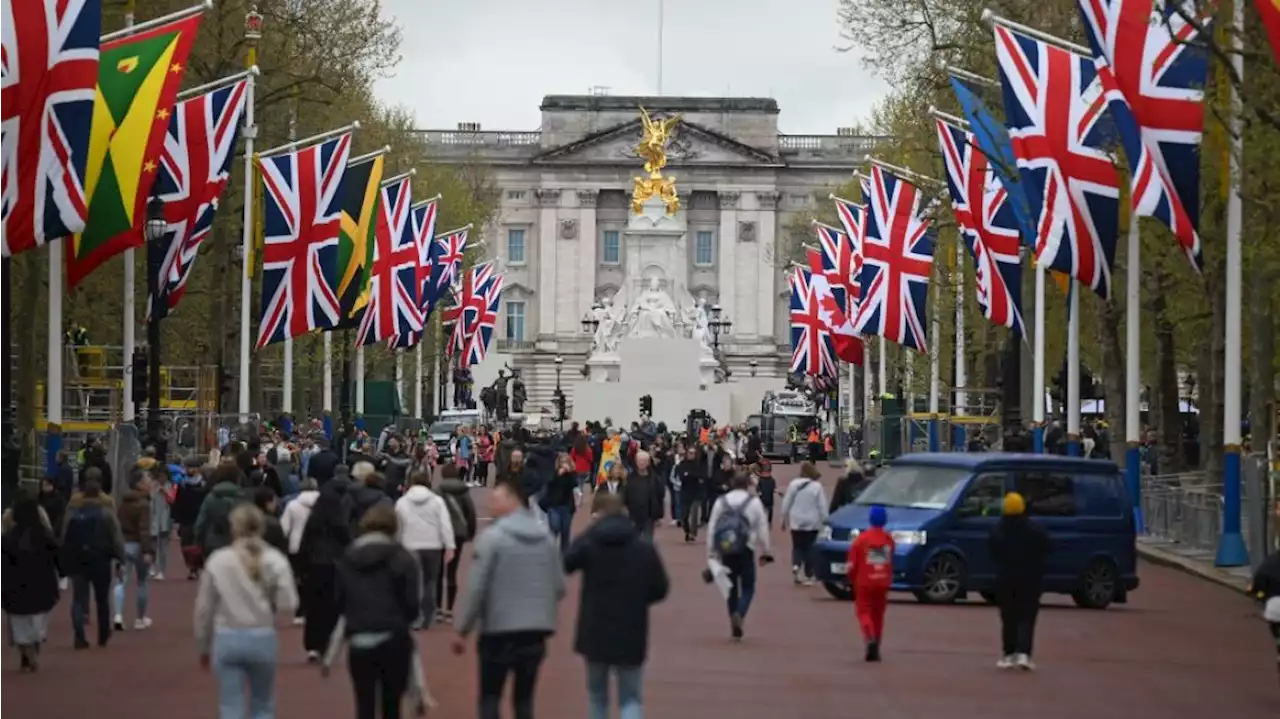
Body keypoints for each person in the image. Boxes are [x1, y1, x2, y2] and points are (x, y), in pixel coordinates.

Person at [453, 478, 566, 719]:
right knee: (524, 701)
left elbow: (476, 587)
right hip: (535, 631)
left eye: (495, 500)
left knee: (491, 697)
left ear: (512, 501)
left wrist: (463, 628)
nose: (490, 506)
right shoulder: (545, 539)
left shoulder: (493, 538)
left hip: (498, 631)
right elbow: (559, 585)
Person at [565, 492, 669, 719]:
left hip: (595, 627)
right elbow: (661, 589)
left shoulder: (590, 543)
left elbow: (567, 562)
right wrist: (640, 599)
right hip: (632, 628)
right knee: (630, 698)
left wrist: (590, 530)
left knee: (597, 696)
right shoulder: (643, 547)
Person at [194, 504, 298, 719]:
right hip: (262, 636)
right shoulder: (275, 559)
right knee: (263, 704)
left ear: (233, 528)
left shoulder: (218, 560)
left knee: (230, 705)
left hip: (227, 637)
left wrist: (203, 645)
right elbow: (289, 602)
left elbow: (204, 608)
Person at [332, 504, 421, 719]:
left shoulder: (348, 557)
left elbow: (339, 599)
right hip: (394, 636)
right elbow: (412, 604)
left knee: (364, 703)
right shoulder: (404, 558)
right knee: (392, 705)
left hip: (360, 637)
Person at [706, 469, 773, 640]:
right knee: (748, 586)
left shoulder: (722, 501)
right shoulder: (754, 503)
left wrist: (711, 551)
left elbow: (712, 526)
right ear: (748, 485)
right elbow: (762, 527)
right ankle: (740, 613)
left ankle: (732, 617)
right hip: (746, 548)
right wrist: (766, 550)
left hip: (726, 548)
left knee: (731, 587)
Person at [59, 473, 124, 648]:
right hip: (101, 559)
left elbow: (65, 534)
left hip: (78, 558)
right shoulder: (107, 511)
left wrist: (64, 556)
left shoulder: (73, 510)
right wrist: (120, 557)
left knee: (78, 598)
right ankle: (103, 634)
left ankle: (79, 635)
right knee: (102, 598)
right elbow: (116, 536)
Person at [988, 491, 1050, 670]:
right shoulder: (1035, 529)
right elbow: (1048, 547)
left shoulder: (998, 530)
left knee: (1008, 616)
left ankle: (1008, 654)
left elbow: (992, 550)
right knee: (1027, 615)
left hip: (1006, 577)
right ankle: (1024, 653)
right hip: (1031, 578)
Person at [0, 496, 60, 671]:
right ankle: (33, 646)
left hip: (15, 588)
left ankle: (25, 653)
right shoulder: (44, 535)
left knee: (18, 624)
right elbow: (57, 553)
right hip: (42, 586)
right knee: (37, 623)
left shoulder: (7, 539)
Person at [299, 482, 354, 661]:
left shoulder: (313, 522)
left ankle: (312, 644)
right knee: (331, 607)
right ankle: (327, 642)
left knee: (313, 607)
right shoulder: (339, 524)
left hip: (314, 565)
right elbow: (347, 542)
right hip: (334, 566)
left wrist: (302, 567)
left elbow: (304, 545)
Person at [394, 471, 455, 629]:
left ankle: (415, 615)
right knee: (430, 581)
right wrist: (450, 545)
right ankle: (428, 614)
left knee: (413, 582)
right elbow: (445, 523)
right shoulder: (437, 501)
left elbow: (397, 525)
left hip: (410, 545)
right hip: (432, 546)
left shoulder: (402, 502)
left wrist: (396, 544)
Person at [846, 505, 894, 661]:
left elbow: (852, 565)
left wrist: (850, 579)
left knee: (864, 612)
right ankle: (877, 645)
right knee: (878, 615)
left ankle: (870, 637)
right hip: (882, 581)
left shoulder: (861, 539)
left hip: (864, 582)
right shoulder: (888, 539)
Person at [114, 470, 155, 631]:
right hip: (138, 545)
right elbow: (144, 529)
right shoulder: (144, 504)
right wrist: (148, 550)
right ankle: (140, 618)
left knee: (120, 581)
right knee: (142, 581)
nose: (150, 482)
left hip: (124, 543)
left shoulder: (123, 502)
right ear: (139, 484)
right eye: (147, 479)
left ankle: (118, 614)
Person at [435, 464, 475, 623]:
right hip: (458, 533)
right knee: (452, 572)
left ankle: (438, 608)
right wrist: (470, 533)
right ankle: (450, 610)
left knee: (438, 572)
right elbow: (470, 514)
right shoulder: (464, 492)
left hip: (439, 534)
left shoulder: (437, 492)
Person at [780, 462, 829, 586]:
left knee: (797, 546)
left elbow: (786, 502)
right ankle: (809, 574)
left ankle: (796, 566)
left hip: (796, 520)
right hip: (812, 521)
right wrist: (826, 520)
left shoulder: (793, 485)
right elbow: (822, 506)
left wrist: (783, 519)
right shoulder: (817, 487)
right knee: (810, 547)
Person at [281, 478, 319, 625]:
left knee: (298, 578)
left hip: (296, 546)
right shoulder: (322, 505)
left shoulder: (292, 505)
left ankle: (299, 610)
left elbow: (284, 528)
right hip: (316, 546)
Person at [195, 464, 249, 560]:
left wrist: (198, 541)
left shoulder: (211, 497)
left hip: (213, 543)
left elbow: (201, 523)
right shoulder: (243, 498)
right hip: (237, 544)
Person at [1248, 545, 1280, 678]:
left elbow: (1257, 584)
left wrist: (1259, 595)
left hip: (1273, 606)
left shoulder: (1269, 562)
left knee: (1276, 630)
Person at [623, 451, 665, 540]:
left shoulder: (655, 479)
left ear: (648, 462)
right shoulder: (630, 478)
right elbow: (624, 494)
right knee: (633, 540)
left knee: (647, 541)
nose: (642, 463)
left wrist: (658, 515)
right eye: (640, 461)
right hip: (633, 514)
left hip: (649, 515)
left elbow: (660, 496)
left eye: (644, 461)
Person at [541, 454, 578, 555]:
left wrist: (569, 473)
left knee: (565, 532)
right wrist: (558, 474)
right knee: (554, 528)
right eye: (562, 462)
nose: (564, 464)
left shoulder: (572, 474)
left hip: (567, 506)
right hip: (554, 506)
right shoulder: (552, 472)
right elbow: (549, 483)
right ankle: (550, 553)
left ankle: (564, 555)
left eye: (566, 462)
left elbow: (574, 484)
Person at [673, 447, 704, 542]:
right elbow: (681, 476)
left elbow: (701, 476)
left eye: (693, 453)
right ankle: (687, 531)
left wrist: (689, 474)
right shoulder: (682, 464)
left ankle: (693, 533)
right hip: (685, 492)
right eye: (690, 453)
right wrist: (690, 475)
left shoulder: (699, 465)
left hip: (696, 492)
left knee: (694, 514)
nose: (691, 455)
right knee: (684, 515)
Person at [253, 487, 289, 555]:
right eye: (274, 501)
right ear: (268, 504)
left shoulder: (247, 519)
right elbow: (281, 550)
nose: (276, 504)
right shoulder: (273, 524)